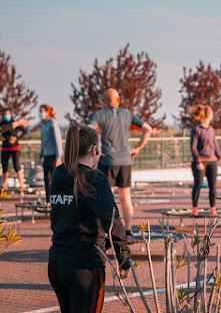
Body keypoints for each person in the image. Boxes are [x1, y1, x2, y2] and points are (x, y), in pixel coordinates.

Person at [48, 125, 131, 313]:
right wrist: (124, 258)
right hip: (85, 265)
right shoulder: (94, 179)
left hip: (57, 263)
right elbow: (113, 221)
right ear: (95, 150)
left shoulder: (58, 175)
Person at [88, 88, 153, 237]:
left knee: (106, 197)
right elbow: (148, 129)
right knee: (126, 197)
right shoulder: (127, 114)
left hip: (107, 160)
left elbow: (88, 130)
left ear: (104, 101)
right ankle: (128, 230)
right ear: (118, 100)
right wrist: (137, 148)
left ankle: (108, 231)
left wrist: (96, 149)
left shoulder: (99, 115)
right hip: (125, 161)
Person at [190, 104, 221, 216]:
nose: (212, 116)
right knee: (198, 184)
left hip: (212, 160)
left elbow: (215, 144)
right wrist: (198, 161)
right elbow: (193, 147)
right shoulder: (196, 130)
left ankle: (213, 208)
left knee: (213, 186)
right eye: (211, 114)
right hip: (201, 161)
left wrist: (220, 157)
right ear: (206, 115)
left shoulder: (211, 129)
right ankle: (194, 207)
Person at [39, 104, 63, 205]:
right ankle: (48, 200)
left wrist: (58, 156)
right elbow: (43, 141)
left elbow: (58, 140)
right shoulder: (43, 124)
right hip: (46, 154)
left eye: (42, 111)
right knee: (46, 178)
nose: (40, 113)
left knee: (54, 178)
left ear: (48, 112)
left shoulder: (53, 123)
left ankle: (56, 199)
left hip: (53, 155)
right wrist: (41, 154)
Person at [1, 109, 29, 190]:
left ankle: (21, 184)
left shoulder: (13, 122)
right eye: (5, 114)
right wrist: (3, 138)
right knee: (4, 166)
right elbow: (2, 130)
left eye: (8, 114)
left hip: (15, 147)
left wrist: (16, 138)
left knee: (16, 165)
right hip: (5, 147)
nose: (6, 116)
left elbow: (24, 131)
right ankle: (4, 185)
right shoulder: (2, 124)